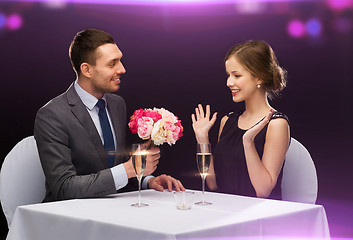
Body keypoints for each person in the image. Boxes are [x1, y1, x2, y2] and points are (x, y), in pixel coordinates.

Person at [34, 29, 184, 202]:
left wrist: (147, 180)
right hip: (70, 219)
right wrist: (129, 169)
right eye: (112, 64)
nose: (122, 69)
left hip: (113, 211)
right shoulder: (52, 115)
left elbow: (112, 167)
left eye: (120, 61)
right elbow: (64, 188)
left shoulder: (117, 104)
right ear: (87, 70)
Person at [191, 40, 290, 199]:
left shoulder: (277, 124)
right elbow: (213, 184)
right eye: (228, 75)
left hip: (258, 217)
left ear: (258, 77)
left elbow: (263, 191)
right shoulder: (227, 121)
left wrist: (248, 142)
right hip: (225, 210)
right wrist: (202, 139)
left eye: (237, 75)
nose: (229, 82)